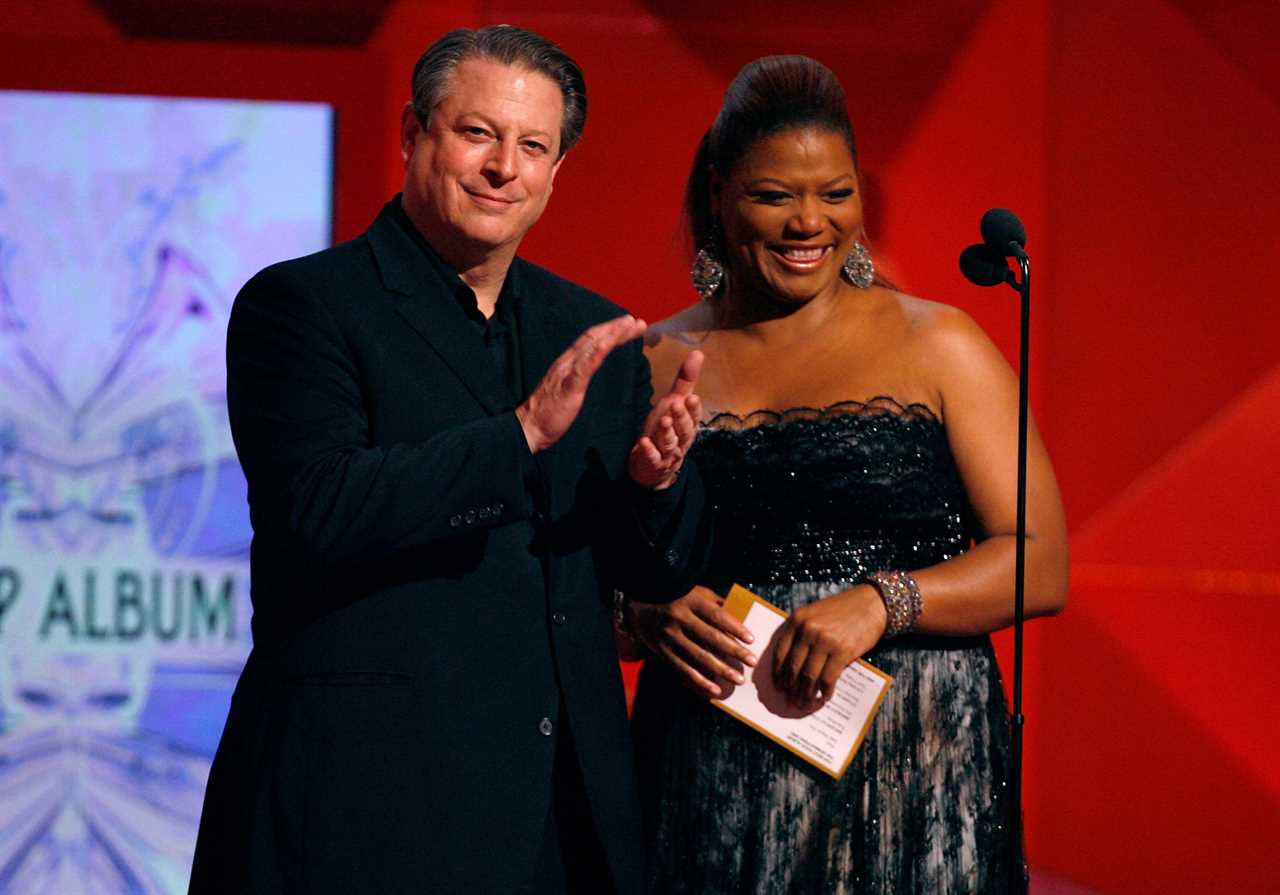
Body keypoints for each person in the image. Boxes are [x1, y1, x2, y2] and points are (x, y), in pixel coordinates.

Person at [189, 26, 708, 895]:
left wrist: (656, 486)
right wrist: (518, 438)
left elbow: (646, 574)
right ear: (413, 133)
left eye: (532, 146)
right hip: (370, 807)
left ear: (555, 172)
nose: (503, 166)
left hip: (561, 817)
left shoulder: (594, 333)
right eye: (477, 134)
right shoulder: (302, 305)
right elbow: (319, 509)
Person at [622, 55, 1069, 894]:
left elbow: (1041, 562)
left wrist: (881, 602)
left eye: (835, 193)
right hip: (718, 780)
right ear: (719, 192)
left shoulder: (941, 343)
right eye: (773, 195)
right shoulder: (650, 363)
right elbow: (588, 588)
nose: (808, 223)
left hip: (921, 774)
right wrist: (645, 616)